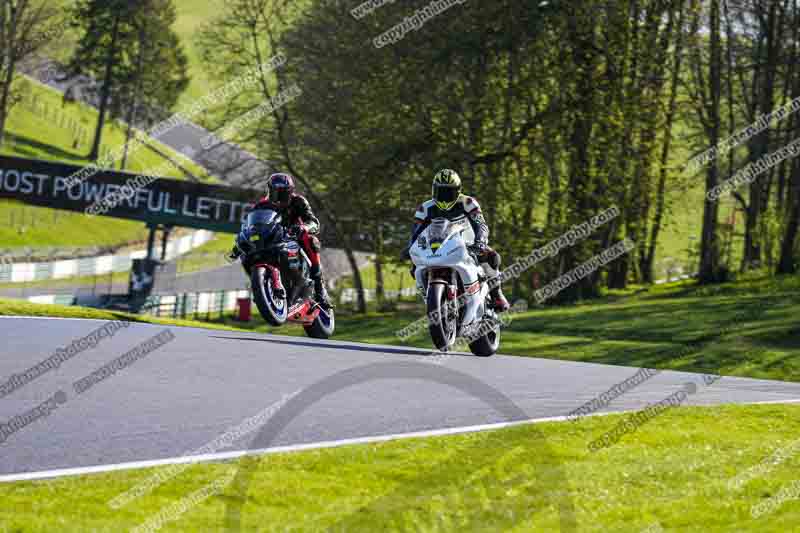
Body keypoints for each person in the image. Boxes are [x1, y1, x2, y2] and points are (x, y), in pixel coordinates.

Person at [405, 169, 510, 312]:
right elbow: (415, 232)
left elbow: (481, 225)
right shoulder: (425, 208)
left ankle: (497, 294)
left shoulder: (468, 202)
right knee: (414, 267)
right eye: (440, 192)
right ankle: (431, 297)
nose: (444, 197)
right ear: (433, 191)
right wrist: (410, 248)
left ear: (458, 191)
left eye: (448, 193)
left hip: (467, 242)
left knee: (492, 257)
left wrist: (480, 241)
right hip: (437, 245)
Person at [231, 173, 332, 309]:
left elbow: (314, 222)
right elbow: (251, 226)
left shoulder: (298, 201)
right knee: (246, 255)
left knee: (311, 240)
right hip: (270, 239)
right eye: (275, 192)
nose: (278, 196)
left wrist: (303, 227)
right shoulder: (261, 205)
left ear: (290, 192)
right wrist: (241, 243)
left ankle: (320, 290)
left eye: (282, 193)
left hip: (292, 237)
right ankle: (261, 286)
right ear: (270, 190)